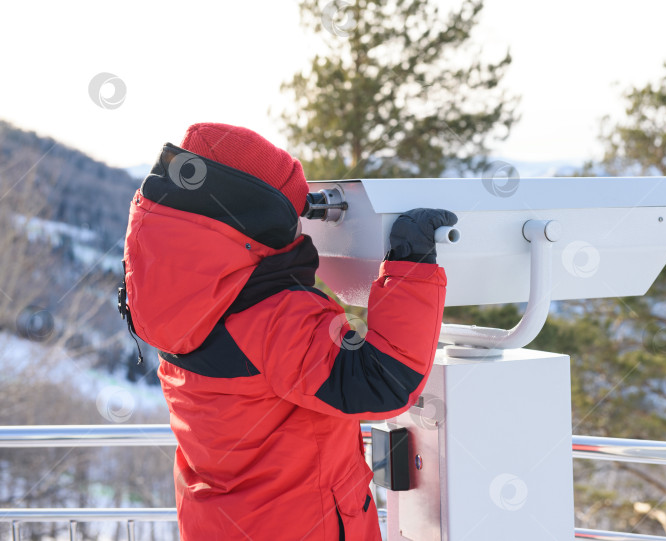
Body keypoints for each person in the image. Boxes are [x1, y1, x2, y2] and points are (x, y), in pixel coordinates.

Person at [120, 122, 456, 540]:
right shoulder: (272, 316)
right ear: (259, 215)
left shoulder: (172, 293)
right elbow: (383, 383)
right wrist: (411, 267)